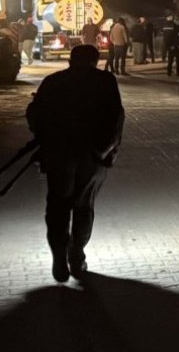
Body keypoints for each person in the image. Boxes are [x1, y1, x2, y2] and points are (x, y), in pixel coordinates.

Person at [25, 44, 123, 282]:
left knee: (57, 207)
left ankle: (59, 256)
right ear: (95, 62)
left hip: (59, 154)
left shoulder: (53, 81)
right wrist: (105, 150)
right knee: (83, 207)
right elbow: (116, 117)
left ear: (70, 60)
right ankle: (76, 255)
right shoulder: (105, 81)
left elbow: (35, 115)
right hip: (92, 157)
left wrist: (45, 141)